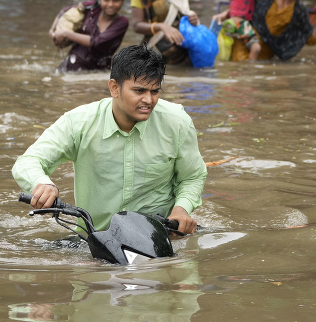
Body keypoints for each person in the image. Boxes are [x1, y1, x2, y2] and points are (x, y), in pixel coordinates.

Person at [12, 44, 207, 235]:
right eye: (139, 91)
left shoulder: (177, 123)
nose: (149, 100)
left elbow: (192, 176)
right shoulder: (79, 123)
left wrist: (181, 210)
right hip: (96, 239)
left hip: (158, 237)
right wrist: (43, 184)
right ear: (114, 88)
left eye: (155, 91)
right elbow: (29, 161)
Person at [49, 0, 130, 72]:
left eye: (116, 0)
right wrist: (52, 30)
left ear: (123, 1)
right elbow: (65, 11)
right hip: (71, 64)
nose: (110, 4)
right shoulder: (93, 8)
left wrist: (66, 34)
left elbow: (97, 42)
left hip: (95, 71)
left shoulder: (121, 22)